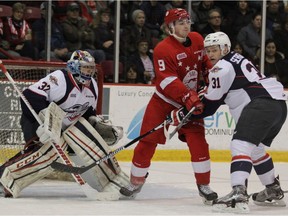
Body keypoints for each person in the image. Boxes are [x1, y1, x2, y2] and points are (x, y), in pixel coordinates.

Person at [171, 32, 287, 213]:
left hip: (262, 105)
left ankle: (238, 193)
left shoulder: (221, 68)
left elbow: (209, 106)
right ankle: (273, 189)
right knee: (255, 150)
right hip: (278, 107)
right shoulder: (236, 59)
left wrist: (183, 114)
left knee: (239, 145)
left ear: (224, 48)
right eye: (208, 50)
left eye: (214, 50)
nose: (210, 54)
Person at [119, 8, 218, 205]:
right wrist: (188, 96)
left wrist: (210, 77)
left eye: (187, 21)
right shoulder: (163, 49)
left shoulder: (198, 39)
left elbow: (205, 62)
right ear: (170, 27)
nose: (186, 25)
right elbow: (166, 80)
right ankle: (135, 181)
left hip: (191, 101)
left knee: (198, 142)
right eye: (180, 22)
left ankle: (204, 185)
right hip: (164, 102)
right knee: (147, 141)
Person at [0, 50, 129, 199]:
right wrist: (43, 122)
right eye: (85, 67)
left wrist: (96, 125)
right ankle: (4, 176)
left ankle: (112, 181)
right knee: (44, 153)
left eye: (91, 68)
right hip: (37, 122)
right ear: (74, 66)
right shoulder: (59, 79)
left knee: (89, 147)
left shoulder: (92, 85)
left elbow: (87, 112)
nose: (89, 71)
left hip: (65, 129)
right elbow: (29, 97)